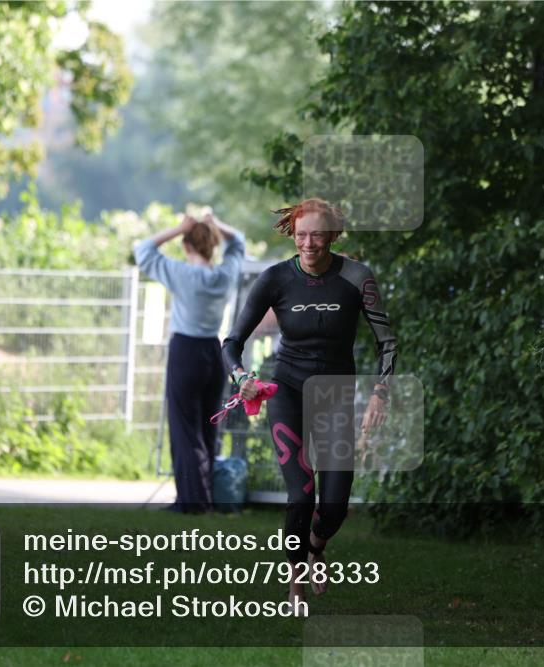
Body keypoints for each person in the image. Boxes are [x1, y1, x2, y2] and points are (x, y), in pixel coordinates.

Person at [221, 198, 397, 605]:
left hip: (335, 397)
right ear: (293, 235)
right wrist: (243, 377)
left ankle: (316, 546)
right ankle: (295, 579)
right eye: (301, 235)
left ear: (333, 235)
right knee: (301, 495)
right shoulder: (275, 279)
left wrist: (379, 393)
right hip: (288, 393)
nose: (309, 243)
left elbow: (387, 341)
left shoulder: (357, 277)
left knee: (334, 504)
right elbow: (231, 344)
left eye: (317, 235)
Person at [134, 209, 245, 513]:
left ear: (187, 246)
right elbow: (240, 244)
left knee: (185, 428)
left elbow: (142, 250)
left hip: (185, 351)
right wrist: (216, 222)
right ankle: (204, 498)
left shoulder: (181, 274)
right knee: (208, 428)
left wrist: (178, 227)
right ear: (212, 245)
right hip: (214, 351)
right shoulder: (225, 275)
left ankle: (191, 502)